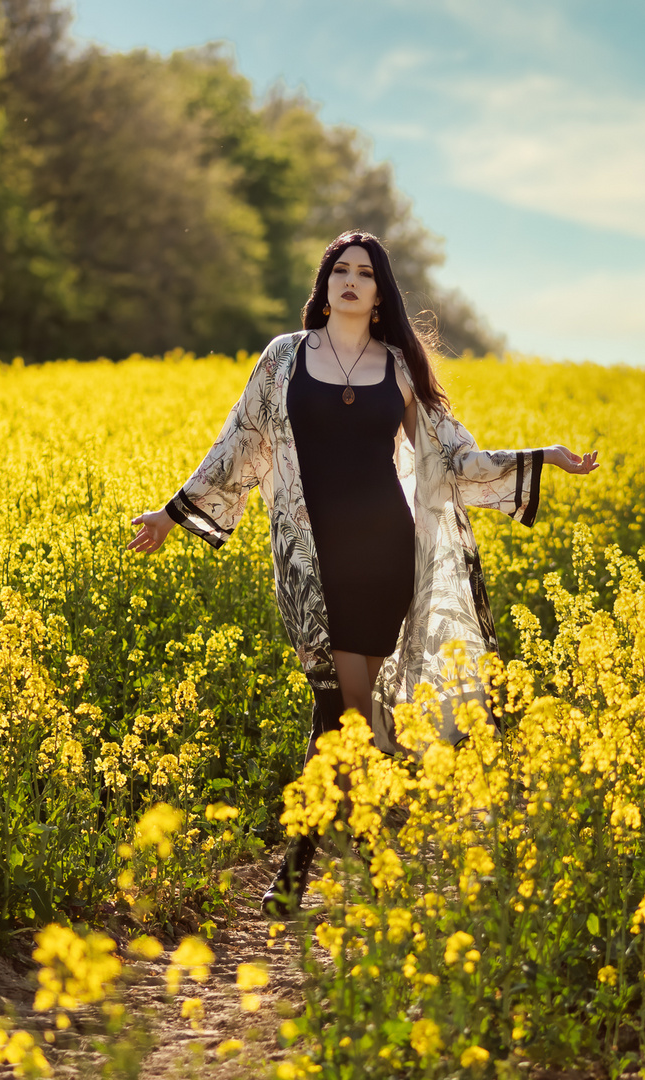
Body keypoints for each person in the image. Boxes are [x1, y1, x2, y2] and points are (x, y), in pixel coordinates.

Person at [126, 231, 599, 915]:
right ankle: (379, 849)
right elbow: (239, 444)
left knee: (340, 714)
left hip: (383, 555)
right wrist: (174, 513)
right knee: (344, 718)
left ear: (381, 295)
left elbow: (451, 460)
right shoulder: (284, 359)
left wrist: (539, 457)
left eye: (365, 274)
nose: (350, 282)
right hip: (309, 561)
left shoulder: (401, 368)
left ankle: (305, 874)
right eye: (340, 271)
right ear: (325, 285)